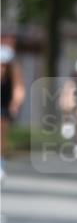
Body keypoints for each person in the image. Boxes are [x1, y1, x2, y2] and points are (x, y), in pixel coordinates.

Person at [1, 44, 26, 177]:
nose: (2, 67)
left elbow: (19, 90)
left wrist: (15, 105)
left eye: (5, 64)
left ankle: (1, 162)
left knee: (2, 134)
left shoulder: (14, 75)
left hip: (4, 107)